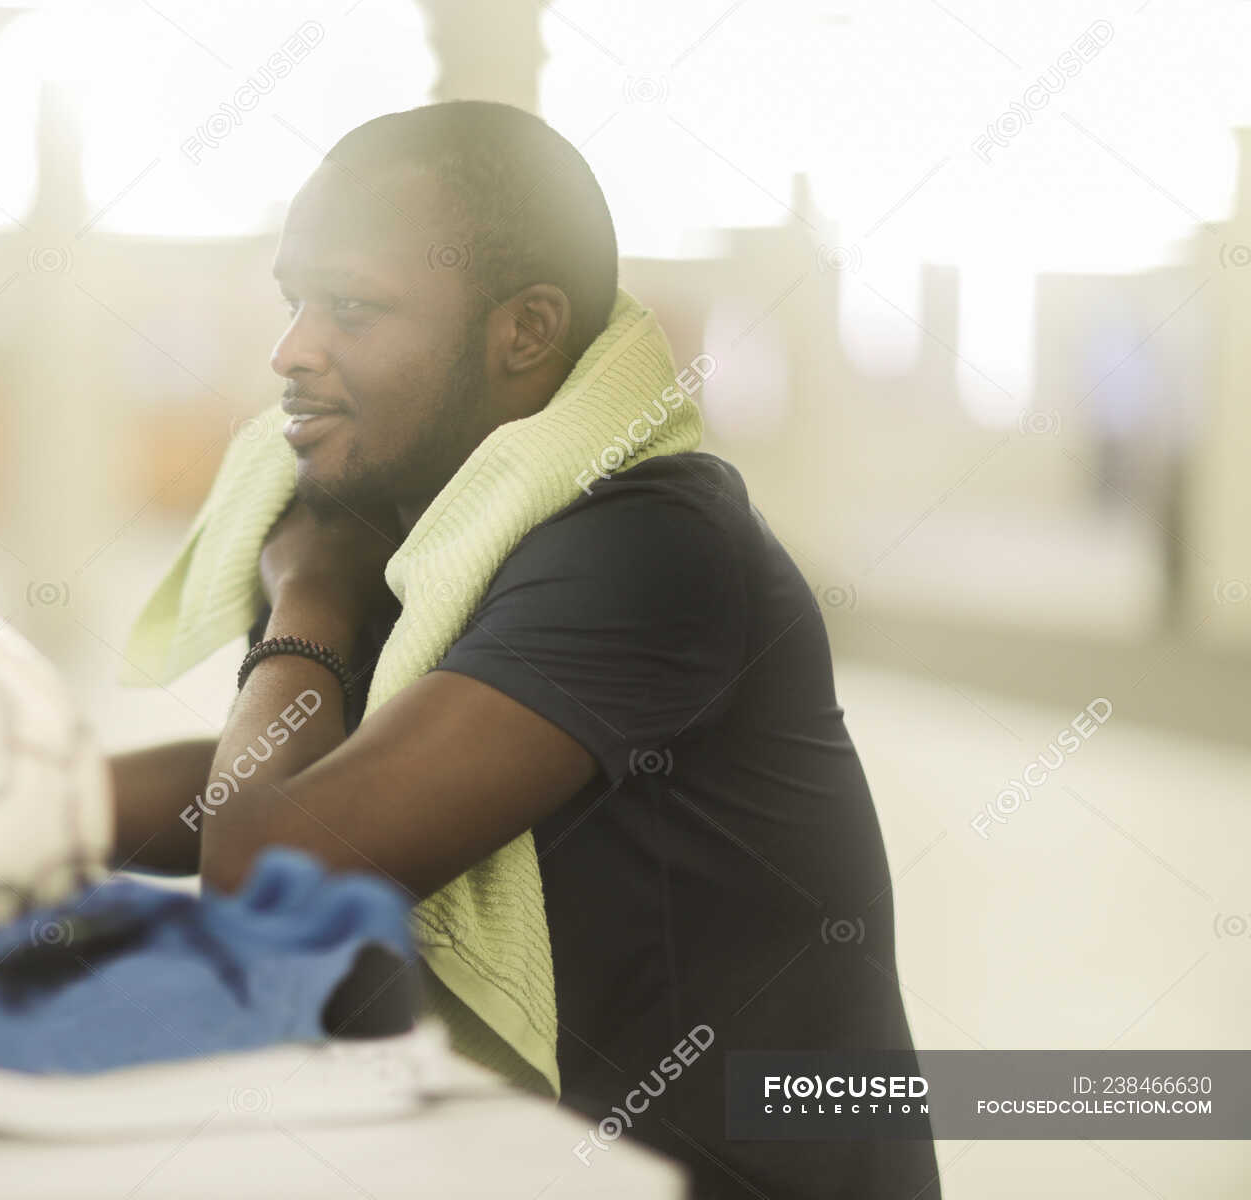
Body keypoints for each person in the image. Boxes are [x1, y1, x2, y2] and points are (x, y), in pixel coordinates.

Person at [108, 101, 941, 1199]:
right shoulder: (424, 522)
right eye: (294, 300)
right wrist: (4, 808)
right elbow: (307, 771)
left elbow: (267, 873)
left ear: (526, 332)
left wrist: (309, 594)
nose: (290, 350)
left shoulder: (650, 544)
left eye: (352, 307)